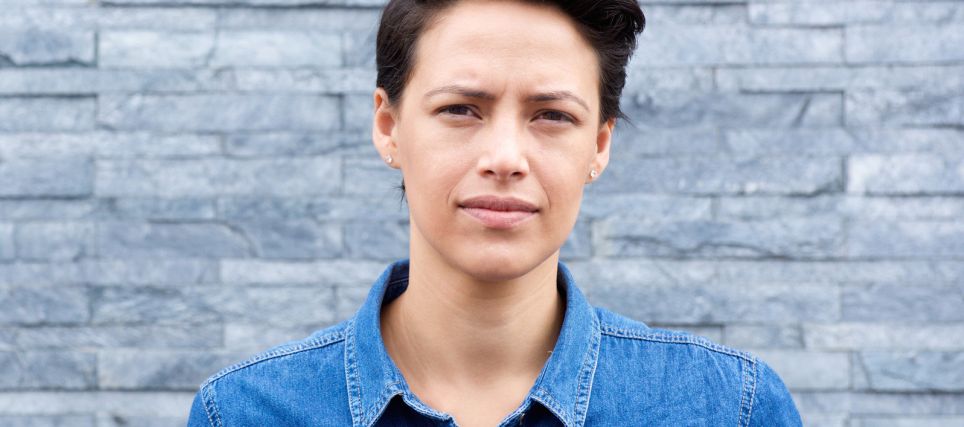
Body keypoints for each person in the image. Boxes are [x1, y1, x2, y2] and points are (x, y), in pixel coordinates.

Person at [188, 0, 802, 424]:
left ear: (599, 145)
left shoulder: (731, 407)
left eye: (552, 115)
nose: (505, 158)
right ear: (389, 126)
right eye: (460, 109)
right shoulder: (244, 412)